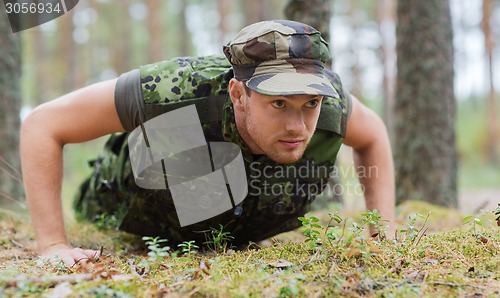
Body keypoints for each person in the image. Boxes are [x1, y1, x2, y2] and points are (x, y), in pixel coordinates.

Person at [20, 20, 395, 266]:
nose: (297, 125)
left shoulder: (332, 106)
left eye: (309, 104)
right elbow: (43, 124)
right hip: (130, 205)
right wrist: (53, 245)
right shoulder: (173, 90)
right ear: (238, 93)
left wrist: (383, 232)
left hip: (244, 223)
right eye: (278, 103)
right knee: (190, 138)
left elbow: (374, 134)